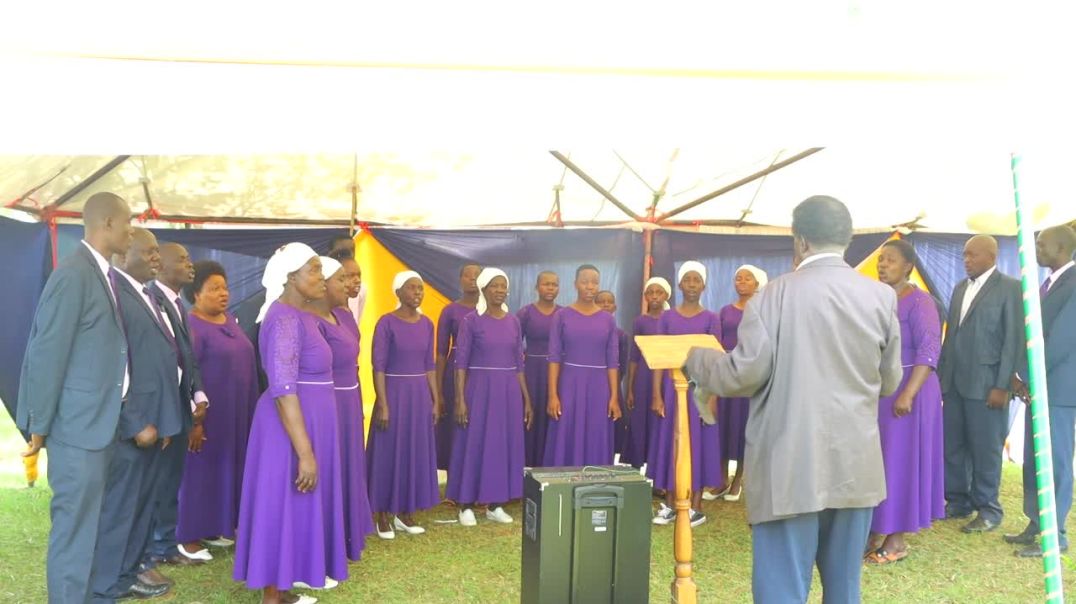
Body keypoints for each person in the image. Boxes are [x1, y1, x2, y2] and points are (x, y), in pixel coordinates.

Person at [684, 196, 902, 603]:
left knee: (782, 590)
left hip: (790, 466)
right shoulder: (881, 298)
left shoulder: (772, 297)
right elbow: (889, 381)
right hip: (855, 466)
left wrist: (697, 360)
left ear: (799, 240)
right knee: (844, 591)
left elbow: (742, 374)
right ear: (849, 239)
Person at [17, 192, 133, 603]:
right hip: (76, 429)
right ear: (106, 223)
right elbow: (47, 352)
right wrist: (38, 424)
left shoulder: (102, 272)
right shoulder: (73, 274)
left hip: (99, 423)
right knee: (74, 532)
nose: (131, 230)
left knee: (91, 527)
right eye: (128, 222)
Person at [233, 244, 346, 604]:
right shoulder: (282, 318)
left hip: (308, 423)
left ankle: (281, 588)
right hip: (289, 428)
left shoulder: (304, 316)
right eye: (313, 270)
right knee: (282, 504)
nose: (321, 278)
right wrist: (305, 451)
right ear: (290, 277)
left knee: (295, 505)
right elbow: (283, 389)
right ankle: (271, 595)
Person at [91, 227, 183, 601]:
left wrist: (164, 418)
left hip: (155, 420)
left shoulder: (147, 295)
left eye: (158, 252)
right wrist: (135, 421)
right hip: (131, 425)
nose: (157, 259)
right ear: (124, 253)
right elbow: (114, 365)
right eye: (149, 253)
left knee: (143, 505)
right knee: (120, 509)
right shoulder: (115, 294)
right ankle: (106, 584)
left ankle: (129, 573)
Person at [865, 240, 945, 564]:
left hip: (911, 390)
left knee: (901, 461)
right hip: (882, 391)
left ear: (908, 266)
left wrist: (908, 393)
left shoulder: (920, 301)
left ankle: (896, 539)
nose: (883, 265)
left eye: (891, 260)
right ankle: (873, 528)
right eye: (881, 260)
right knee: (880, 462)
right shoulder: (877, 299)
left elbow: (930, 349)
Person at [938, 235, 1025, 533]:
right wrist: (942, 378)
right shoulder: (960, 288)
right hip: (955, 384)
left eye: (972, 255)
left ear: (992, 255)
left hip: (988, 385)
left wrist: (1003, 385)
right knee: (954, 446)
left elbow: (1013, 339)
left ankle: (989, 509)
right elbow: (952, 337)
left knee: (985, 448)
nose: (966, 260)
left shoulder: (1010, 288)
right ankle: (958, 501)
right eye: (964, 255)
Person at [176, 261, 260, 560]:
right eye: (214, 288)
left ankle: (215, 526)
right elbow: (186, 374)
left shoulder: (230, 320)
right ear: (195, 294)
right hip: (208, 416)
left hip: (237, 411)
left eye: (224, 287)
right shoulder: (191, 326)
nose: (223, 293)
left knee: (226, 469)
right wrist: (194, 422)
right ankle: (188, 536)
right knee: (199, 472)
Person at [1005, 224, 1076, 557]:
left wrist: (1027, 376)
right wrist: (1021, 376)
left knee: (1055, 461)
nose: (1035, 250)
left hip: (1059, 390)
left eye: (1041, 245)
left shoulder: (1074, 283)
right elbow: (1030, 334)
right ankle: (1036, 522)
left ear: (1061, 248)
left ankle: (1056, 533)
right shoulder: (1047, 283)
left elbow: (1060, 340)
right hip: (1038, 385)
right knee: (1034, 460)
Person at [447, 268, 534, 526]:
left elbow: (518, 363)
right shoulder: (471, 321)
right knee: (473, 442)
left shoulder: (513, 321)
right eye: (494, 286)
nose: (499, 290)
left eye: (503, 286)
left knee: (501, 445)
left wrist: (526, 399)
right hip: (479, 390)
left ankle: (495, 503)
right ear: (484, 288)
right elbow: (460, 362)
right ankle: (465, 505)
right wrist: (460, 399)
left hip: (508, 391)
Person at [147, 241, 211, 565]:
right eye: (184, 259)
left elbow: (188, 358)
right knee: (157, 484)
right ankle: (153, 549)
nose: (191, 265)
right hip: (159, 412)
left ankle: (166, 547)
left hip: (180, 409)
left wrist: (197, 394)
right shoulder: (150, 299)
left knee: (171, 481)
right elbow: (154, 362)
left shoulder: (176, 304)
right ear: (161, 265)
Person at [367, 271, 441, 539]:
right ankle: (383, 514)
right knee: (389, 451)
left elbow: (429, 365)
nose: (417, 293)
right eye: (411, 288)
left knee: (413, 451)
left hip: (419, 395)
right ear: (398, 292)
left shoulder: (427, 324)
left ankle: (406, 512)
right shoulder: (386, 323)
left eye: (420, 288)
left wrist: (435, 400)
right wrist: (383, 404)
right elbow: (379, 366)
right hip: (394, 394)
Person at [648, 262, 723, 528]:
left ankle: (696, 507)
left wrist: (712, 400)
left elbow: (715, 362)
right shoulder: (667, 319)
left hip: (700, 391)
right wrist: (657, 394)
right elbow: (659, 357)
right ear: (679, 285)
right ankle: (669, 504)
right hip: (671, 390)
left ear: (704, 286)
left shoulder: (711, 319)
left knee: (698, 443)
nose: (692, 284)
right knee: (672, 443)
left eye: (697, 280)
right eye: (687, 280)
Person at [311, 256, 375, 561]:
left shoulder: (347, 315)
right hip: (328, 401)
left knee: (350, 464)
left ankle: (348, 531)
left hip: (350, 399)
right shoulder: (311, 319)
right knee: (329, 468)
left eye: (354, 277)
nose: (352, 283)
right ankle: (325, 537)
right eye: (343, 278)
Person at [543, 265, 622, 466]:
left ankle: (594, 484)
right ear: (575, 283)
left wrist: (614, 397)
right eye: (585, 281)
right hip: (569, 384)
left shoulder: (608, 320)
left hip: (599, 387)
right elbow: (553, 358)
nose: (590, 286)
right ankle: (562, 484)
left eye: (595, 282)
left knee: (596, 430)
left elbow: (612, 360)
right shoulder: (561, 316)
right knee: (567, 431)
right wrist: (553, 395)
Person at [712, 265, 768, 502]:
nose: (741, 282)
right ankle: (722, 478)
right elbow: (716, 342)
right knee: (723, 424)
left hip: (750, 373)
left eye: (747, 279)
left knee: (745, 425)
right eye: (738, 278)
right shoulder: (725, 311)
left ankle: (738, 480)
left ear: (758, 284)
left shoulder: (765, 310)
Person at [435, 264, 481, 472]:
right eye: (467, 275)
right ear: (460, 280)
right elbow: (441, 352)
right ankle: (455, 476)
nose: (472, 279)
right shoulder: (450, 311)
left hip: (482, 371)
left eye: (477, 275)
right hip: (455, 373)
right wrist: (438, 392)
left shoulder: (491, 310)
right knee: (457, 424)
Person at [624, 277, 670, 469]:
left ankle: (657, 473)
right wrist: (630, 388)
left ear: (667, 295)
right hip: (644, 376)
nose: (654, 296)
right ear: (645, 296)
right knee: (639, 421)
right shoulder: (640, 321)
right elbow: (634, 356)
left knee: (660, 423)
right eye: (650, 292)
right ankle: (636, 471)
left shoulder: (672, 319)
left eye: (658, 292)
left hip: (666, 376)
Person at [517, 271, 561, 467]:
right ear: (537, 287)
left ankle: (549, 465)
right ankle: (526, 467)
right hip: (531, 372)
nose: (550, 288)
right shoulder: (525, 313)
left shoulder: (564, 314)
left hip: (558, 373)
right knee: (530, 416)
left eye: (554, 284)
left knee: (553, 417)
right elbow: (514, 345)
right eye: (546, 284)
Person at [596, 290, 630, 458]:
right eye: (601, 301)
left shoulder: (621, 335)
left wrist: (613, 385)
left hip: (612, 386)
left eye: (609, 302)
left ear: (615, 307)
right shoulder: (589, 332)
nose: (605, 305)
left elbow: (622, 365)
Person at [328, 234, 367, 328]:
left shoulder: (361, 289)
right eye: (341, 251)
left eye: (352, 250)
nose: (348, 253)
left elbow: (357, 321)